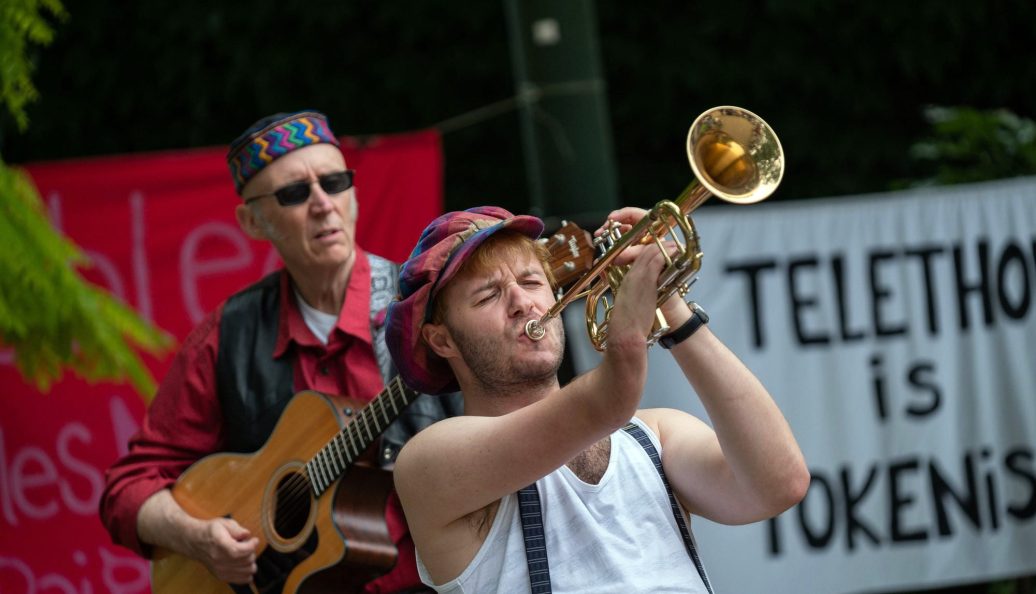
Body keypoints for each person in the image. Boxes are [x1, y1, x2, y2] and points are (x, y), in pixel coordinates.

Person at [99, 110, 458, 593]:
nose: (323, 204)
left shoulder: (427, 311)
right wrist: (197, 537)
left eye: (335, 182)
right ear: (252, 221)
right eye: (294, 193)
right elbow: (129, 485)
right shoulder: (228, 336)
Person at [383, 206, 810, 593]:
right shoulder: (428, 460)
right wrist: (641, 284)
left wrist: (672, 307)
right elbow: (608, 397)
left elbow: (778, 485)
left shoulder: (654, 434)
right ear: (441, 340)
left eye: (532, 281)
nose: (522, 303)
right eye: (489, 295)